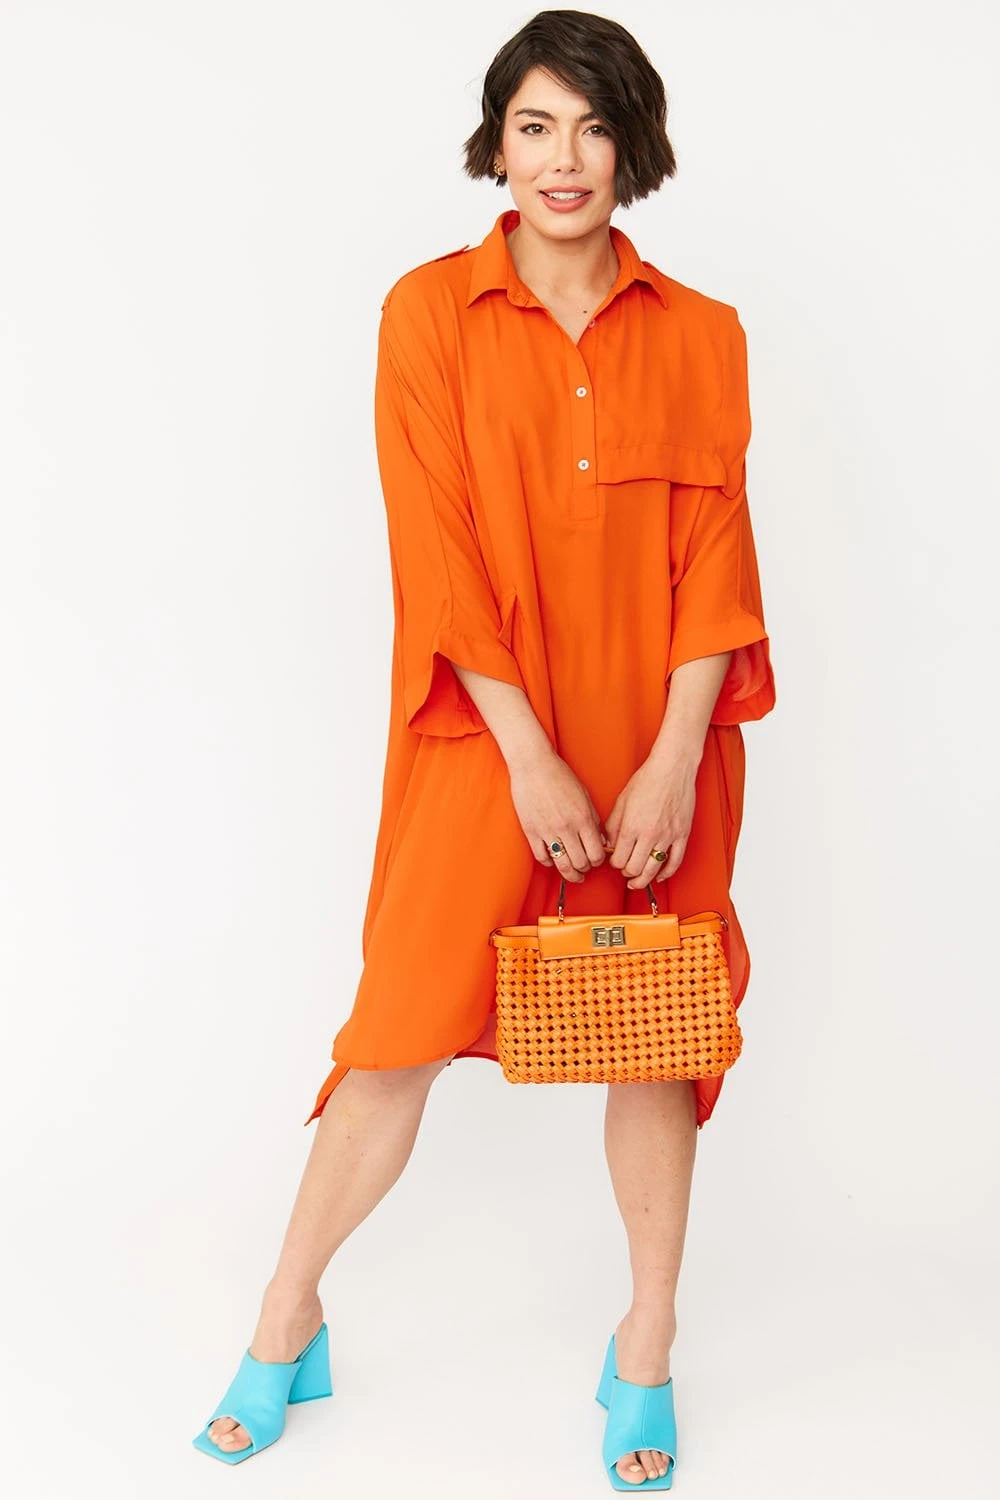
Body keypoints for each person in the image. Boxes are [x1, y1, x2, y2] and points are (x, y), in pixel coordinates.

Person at [192, 9, 776, 1488]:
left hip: (658, 743)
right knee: (394, 1035)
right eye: (534, 126)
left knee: (653, 1043)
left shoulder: (703, 334)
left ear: (633, 147)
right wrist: (527, 755)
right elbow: (437, 557)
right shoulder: (427, 314)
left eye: (593, 127)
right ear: (496, 144)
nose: (563, 159)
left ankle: (645, 1346)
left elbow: (717, 559)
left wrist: (671, 755)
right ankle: (286, 1318)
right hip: (483, 730)